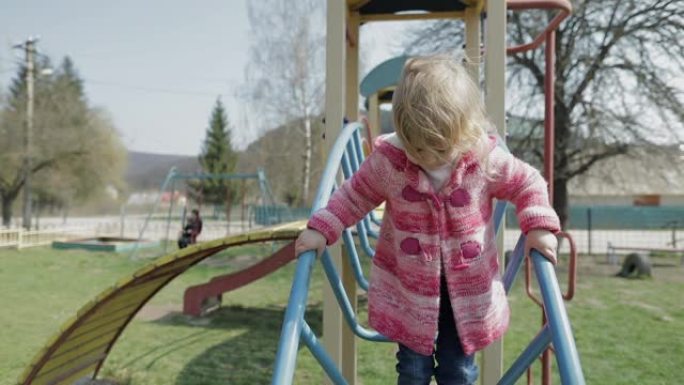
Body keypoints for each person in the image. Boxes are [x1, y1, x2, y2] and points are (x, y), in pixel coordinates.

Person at [294, 55, 560, 385]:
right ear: (403, 131)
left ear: (464, 130)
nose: (429, 158)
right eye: (418, 148)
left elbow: (527, 182)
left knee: (457, 371)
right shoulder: (391, 162)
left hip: (466, 292)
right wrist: (323, 228)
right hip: (410, 289)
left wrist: (538, 226)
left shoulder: (482, 158)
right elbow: (354, 195)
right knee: (412, 370)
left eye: (440, 148)